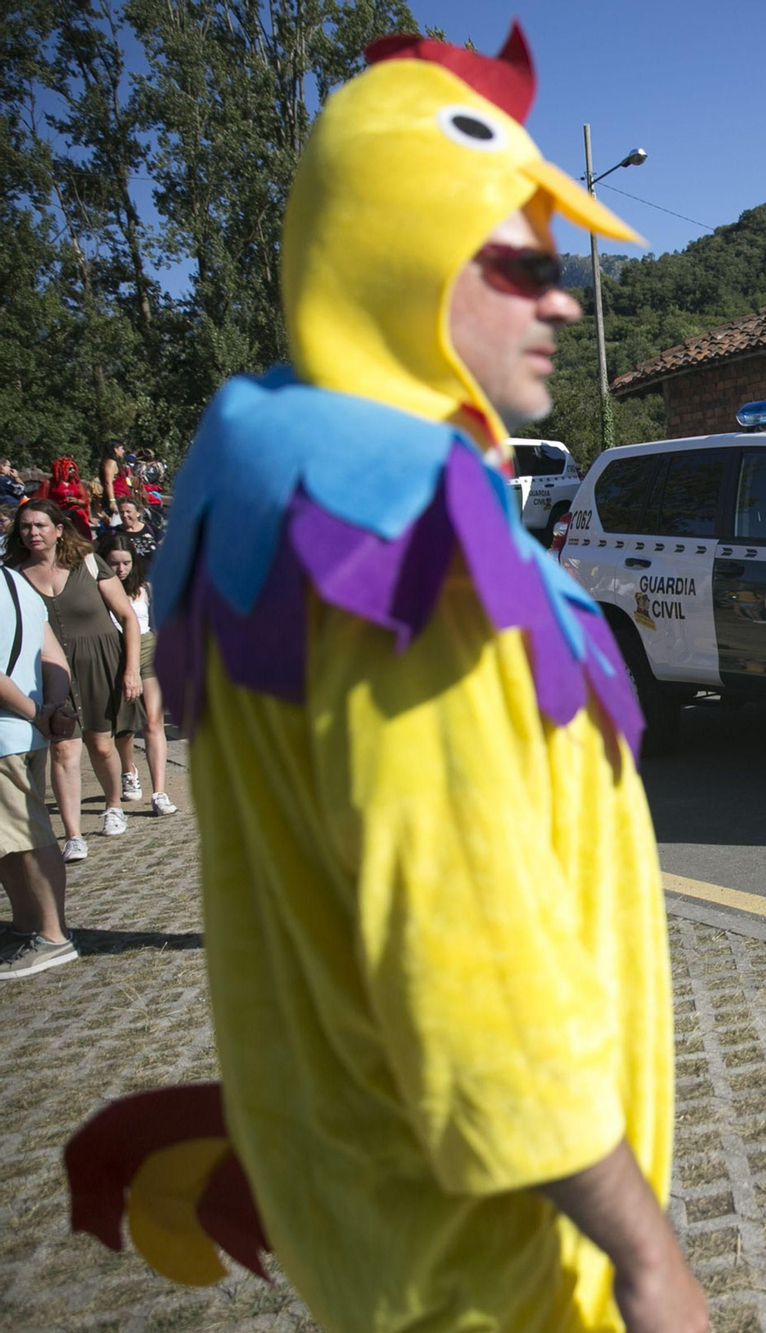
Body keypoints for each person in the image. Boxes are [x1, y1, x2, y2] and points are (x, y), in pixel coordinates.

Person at [68, 23, 708, 1333]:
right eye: (524, 261)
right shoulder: (393, 540)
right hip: (499, 1268)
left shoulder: (267, 492)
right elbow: (468, 970)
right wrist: (646, 1259)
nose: (564, 298)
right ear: (406, 252)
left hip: (380, 1221)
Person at [6, 500, 142, 861]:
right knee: (63, 747)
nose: (32, 533)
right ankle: (72, 834)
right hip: (50, 671)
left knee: (101, 745)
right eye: (25, 527)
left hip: (99, 664)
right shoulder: (13, 575)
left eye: (40, 525)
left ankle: (113, 805)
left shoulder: (89, 563)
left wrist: (131, 670)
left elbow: (128, 617)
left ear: (59, 529)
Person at [0, 556, 76, 979]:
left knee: (29, 835)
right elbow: (55, 659)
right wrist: (52, 708)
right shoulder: (17, 582)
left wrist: (35, 712)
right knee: (12, 838)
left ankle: (52, 935)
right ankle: (29, 925)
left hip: (10, 728)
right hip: (28, 729)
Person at [100, 538, 175, 816]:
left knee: (154, 722)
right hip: (113, 652)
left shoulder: (145, 589)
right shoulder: (98, 589)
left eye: (126, 563)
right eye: (114, 563)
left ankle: (159, 792)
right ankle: (128, 769)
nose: (120, 569)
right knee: (124, 726)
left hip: (146, 649)